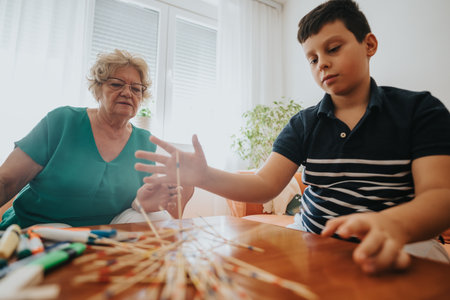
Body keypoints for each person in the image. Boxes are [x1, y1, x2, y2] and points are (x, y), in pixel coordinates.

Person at [133, 0, 450, 274]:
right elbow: (263, 186)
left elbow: (439, 196)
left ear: (369, 45)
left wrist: (393, 224)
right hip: (314, 237)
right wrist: (204, 176)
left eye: (333, 48)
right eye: (312, 59)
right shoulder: (304, 123)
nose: (321, 63)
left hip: (404, 240)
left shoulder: (419, 110)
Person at [0, 49, 193, 229]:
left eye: (136, 89)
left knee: (157, 219)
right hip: (36, 228)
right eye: (117, 84)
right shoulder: (62, 122)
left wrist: (145, 204)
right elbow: (6, 181)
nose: (127, 93)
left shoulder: (147, 143)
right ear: (98, 88)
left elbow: (146, 204)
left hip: (100, 237)